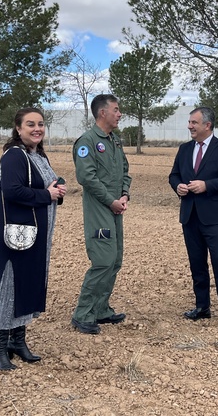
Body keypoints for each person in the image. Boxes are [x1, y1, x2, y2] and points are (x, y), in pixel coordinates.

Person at [0, 107, 67, 370]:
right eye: (30, 124)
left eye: (41, 124)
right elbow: (13, 190)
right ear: (18, 129)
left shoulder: (37, 154)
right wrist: (46, 195)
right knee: (8, 283)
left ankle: (18, 341)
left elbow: (44, 187)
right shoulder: (14, 156)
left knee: (26, 282)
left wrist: (56, 191)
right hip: (12, 233)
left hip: (32, 233)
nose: (37, 128)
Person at [168, 106, 218, 329]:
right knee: (196, 262)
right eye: (190, 122)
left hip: (216, 217)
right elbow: (174, 175)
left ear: (207, 125)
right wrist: (178, 186)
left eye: (194, 122)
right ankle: (202, 307)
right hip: (190, 216)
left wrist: (206, 185)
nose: (189, 126)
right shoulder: (184, 149)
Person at [70, 94, 132, 334]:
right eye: (116, 110)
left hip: (116, 208)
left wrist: (125, 194)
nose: (119, 114)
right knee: (103, 260)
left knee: (115, 260)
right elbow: (87, 178)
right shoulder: (86, 142)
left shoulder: (114, 140)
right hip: (100, 210)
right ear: (102, 113)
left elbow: (125, 170)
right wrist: (111, 201)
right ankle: (83, 313)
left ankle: (101, 309)